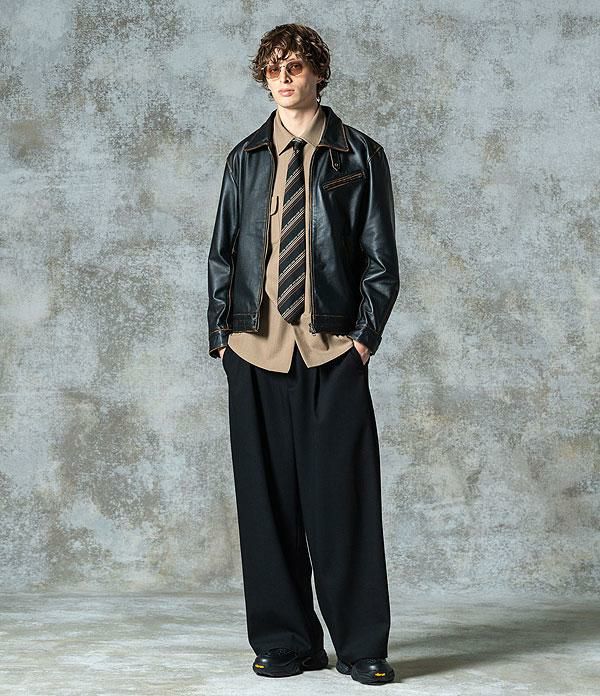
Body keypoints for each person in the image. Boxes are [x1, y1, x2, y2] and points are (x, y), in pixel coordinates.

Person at [207, 23, 400, 686]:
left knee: (343, 503)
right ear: (264, 78)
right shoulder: (245, 157)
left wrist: (364, 338)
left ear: (318, 73)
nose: (285, 78)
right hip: (254, 349)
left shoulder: (359, 154)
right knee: (266, 507)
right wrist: (222, 336)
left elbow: (380, 257)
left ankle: (361, 645)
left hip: (331, 349)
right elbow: (223, 251)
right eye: (274, 68)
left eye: (296, 66)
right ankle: (286, 642)